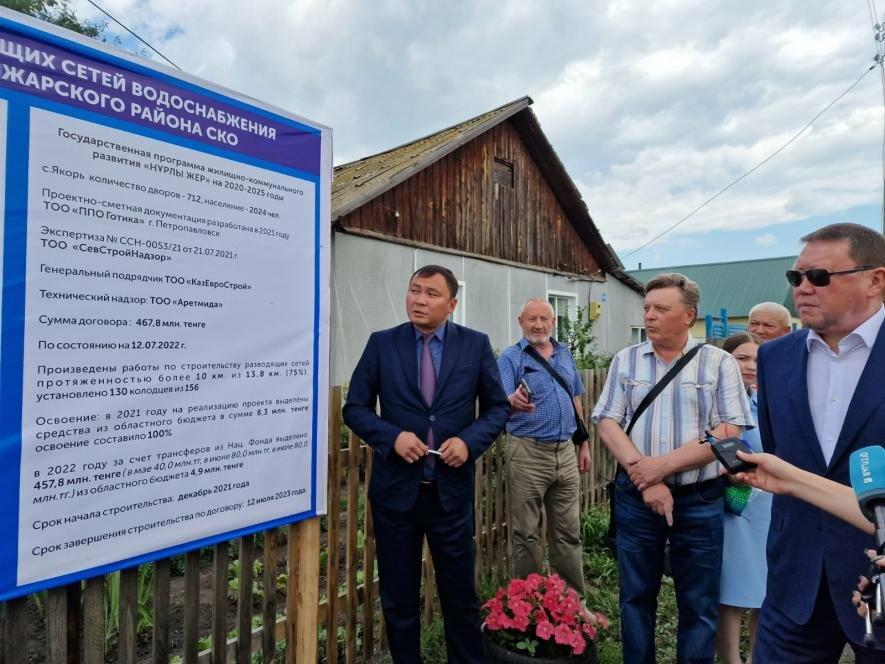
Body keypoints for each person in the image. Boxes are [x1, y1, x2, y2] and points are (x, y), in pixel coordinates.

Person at [342, 265, 510, 664]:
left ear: (452, 304)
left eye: (432, 294)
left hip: (450, 494)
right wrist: (391, 437)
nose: (419, 300)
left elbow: (498, 408)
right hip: (396, 495)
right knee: (398, 598)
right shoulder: (383, 344)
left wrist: (469, 442)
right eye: (414, 290)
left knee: (460, 597)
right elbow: (355, 408)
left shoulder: (474, 345)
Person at [591, 273, 754, 664]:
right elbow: (607, 421)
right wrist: (646, 479)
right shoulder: (626, 360)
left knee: (698, 603)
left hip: (700, 499)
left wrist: (660, 467)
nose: (649, 316)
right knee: (635, 597)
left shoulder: (719, 362)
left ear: (688, 315)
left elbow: (729, 430)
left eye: (661, 308)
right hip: (636, 499)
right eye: (647, 308)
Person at [751, 223, 885, 663]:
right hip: (795, 578)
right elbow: (778, 454)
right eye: (796, 277)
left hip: (876, 579)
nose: (803, 288)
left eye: (820, 276)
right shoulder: (775, 357)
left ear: (875, 280)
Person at [497, 298, 591, 597]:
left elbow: (575, 399)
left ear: (553, 321)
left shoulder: (564, 354)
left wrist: (583, 443)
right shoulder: (510, 358)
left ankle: (572, 601)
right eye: (532, 319)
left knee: (568, 533)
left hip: (565, 451)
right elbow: (497, 403)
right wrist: (510, 401)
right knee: (526, 533)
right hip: (528, 453)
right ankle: (532, 603)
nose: (538, 325)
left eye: (544, 319)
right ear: (520, 322)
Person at [715, 333, 771, 664]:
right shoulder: (714, 400)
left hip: (769, 508)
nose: (750, 366)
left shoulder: (767, 401)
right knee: (732, 594)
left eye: (756, 360)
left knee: (767, 594)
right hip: (734, 505)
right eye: (742, 358)